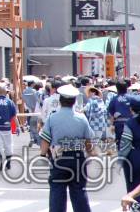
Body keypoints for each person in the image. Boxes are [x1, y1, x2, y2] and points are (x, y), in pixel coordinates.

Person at [40, 84, 93, 212]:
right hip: (77, 157)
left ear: (60, 100)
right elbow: (88, 141)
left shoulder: (52, 118)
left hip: (59, 158)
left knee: (57, 191)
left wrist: (42, 154)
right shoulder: (81, 118)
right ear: (74, 101)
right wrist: (89, 153)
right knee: (79, 191)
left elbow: (45, 140)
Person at [110, 80, 133, 146]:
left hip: (119, 123)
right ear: (126, 88)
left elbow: (111, 113)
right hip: (131, 123)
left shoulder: (114, 99)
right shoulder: (131, 98)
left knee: (119, 142)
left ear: (117, 89)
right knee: (131, 142)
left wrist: (111, 125)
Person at [22, 81, 42, 146]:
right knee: (36, 125)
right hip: (35, 110)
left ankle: (32, 138)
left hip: (28, 110)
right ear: (32, 84)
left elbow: (23, 99)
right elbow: (38, 101)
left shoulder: (24, 91)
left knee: (31, 125)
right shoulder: (34, 91)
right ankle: (37, 139)